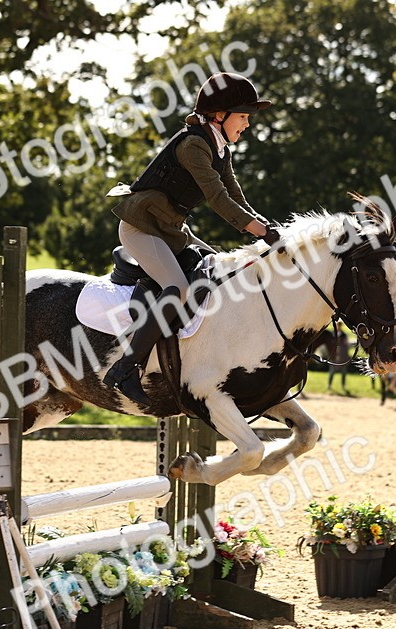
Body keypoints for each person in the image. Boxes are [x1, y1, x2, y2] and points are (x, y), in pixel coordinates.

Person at [105, 72, 274, 405]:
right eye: (243, 116)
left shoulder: (219, 148)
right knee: (178, 289)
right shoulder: (194, 144)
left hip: (171, 230)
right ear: (219, 114)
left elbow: (235, 194)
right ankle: (125, 369)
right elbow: (218, 199)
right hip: (142, 227)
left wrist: (265, 225)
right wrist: (261, 232)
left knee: (219, 270)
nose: (247, 124)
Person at [327, 321, 350, 392]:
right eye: (338, 325)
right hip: (334, 356)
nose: (338, 327)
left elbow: (347, 345)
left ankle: (343, 386)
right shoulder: (332, 334)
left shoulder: (344, 335)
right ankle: (329, 385)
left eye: (339, 325)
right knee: (331, 372)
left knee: (343, 373)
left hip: (342, 357)